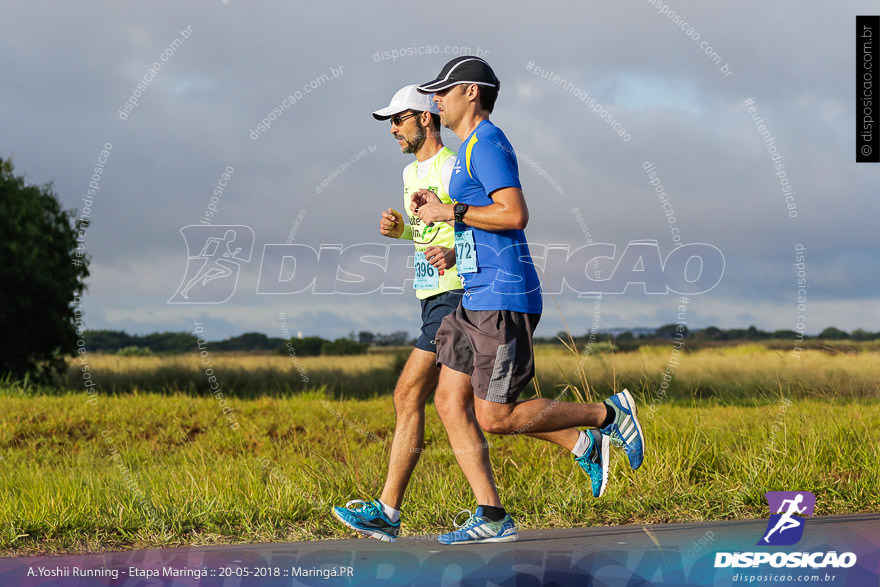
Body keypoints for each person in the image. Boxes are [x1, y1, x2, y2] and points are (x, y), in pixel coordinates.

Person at [411, 56, 645, 544]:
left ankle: (607, 416)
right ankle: (492, 516)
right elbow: (484, 221)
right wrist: (454, 251)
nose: (435, 100)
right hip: (474, 292)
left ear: (471, 92)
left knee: (496, 416)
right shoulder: (470, 148)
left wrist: (448, 208)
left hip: (502, 298)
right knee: (449, 401)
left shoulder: (487, 143)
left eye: (443, 91)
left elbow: (514, 213)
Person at [332, 85, 465, 542]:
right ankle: (589, 433)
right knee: (476, 410)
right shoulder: (412, 174)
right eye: (390, 122)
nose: (393, 129)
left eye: (399, 120)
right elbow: (432, 227)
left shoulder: (454, 166)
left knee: (408, 394)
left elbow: (479, 221)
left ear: (425, 119)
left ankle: (387, 512)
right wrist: (402, 231)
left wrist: (454, 258)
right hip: (430, 297)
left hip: (456, 296)